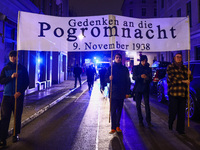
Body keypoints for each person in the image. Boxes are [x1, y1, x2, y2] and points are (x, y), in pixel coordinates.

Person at [0, 50, 29, 147]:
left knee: (17, 116)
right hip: (7, 96)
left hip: (18, 97)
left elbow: (26, 82)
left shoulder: (22, 69)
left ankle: (15, 134)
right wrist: (11, 77)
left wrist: (20, 92)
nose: (13, 58)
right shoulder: (5, 68)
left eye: (15, 56)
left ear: (17, 57)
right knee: (4, 117)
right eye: (11, 56)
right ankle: (2, 138)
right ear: (9, 57)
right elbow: (1, 81)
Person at [167, 53, 192, 134]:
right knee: (173, 111)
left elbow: (189, 79)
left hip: (182, 93)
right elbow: (172, 79)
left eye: (180, 57)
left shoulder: (185, 68)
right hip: (173, 93)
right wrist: (183, 81)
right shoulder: (170, 67)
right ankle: (170, 122)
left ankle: (180, 129)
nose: (179, 58)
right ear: (174, 58)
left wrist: (189, 75)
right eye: (177, 57)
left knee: (181, 113)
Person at [106, 53, 130, 134]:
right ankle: (113, 127)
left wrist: (127, 92)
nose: (118, 59)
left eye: (119, 57)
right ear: (114, 59)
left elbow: (128, 81)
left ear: (121, 59)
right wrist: (109, 78)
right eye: (117, 57)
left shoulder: (124, 69)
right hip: (113, 92)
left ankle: (117, 126)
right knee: (113, 111)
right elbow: (105, 79)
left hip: (121, 92)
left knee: (119, 110)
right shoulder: (111, 68)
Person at [132, 55, 152, 127]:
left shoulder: (149, 69)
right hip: (138, 88)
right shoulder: (136, 68)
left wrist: (146, 77)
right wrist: (140, 76)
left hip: (146, 88)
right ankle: (140, 120)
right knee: (138, 105)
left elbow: (150, 78)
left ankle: (148, 121)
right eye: (143, 61)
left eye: (145, 61)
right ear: (141, 61)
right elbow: (134, 77)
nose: (144, 62)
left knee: (147, 105)